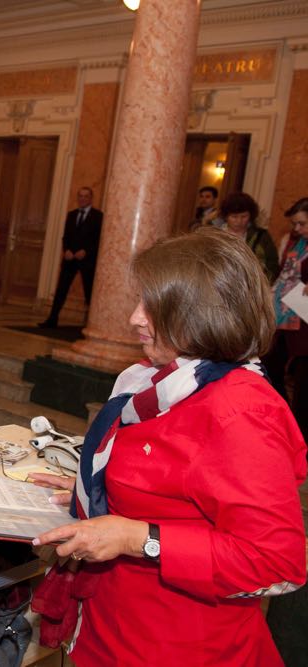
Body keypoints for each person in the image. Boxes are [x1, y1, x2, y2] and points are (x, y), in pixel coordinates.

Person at [31, 228, 306, 666]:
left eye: (153, 307)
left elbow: (276, 564)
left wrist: (138, 537)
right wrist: (95, 491)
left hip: (180, 647)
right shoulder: (161, 383)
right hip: (112, 631)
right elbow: (169, 485)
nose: (135, 319)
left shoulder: (240, 411)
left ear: (202, 314)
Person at [264, 197, 308, 441]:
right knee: (271, 366)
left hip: (305, 323)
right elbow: (284, 274)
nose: (297, 229)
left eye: (302, 224)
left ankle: (299, 435)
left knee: (303, 382)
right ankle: (279, 421)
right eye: (295, 224)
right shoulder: (297, 243)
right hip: (287, 315)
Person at [38, 187, 103, 328]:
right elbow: (66, 236)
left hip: (87, 261)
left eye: (86, 196)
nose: (82, 199)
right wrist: (66, 249)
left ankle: (91, 324)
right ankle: (52, 319)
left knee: (89, 292)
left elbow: (99, 239)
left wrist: (86, 251)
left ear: (91, 198)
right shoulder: (72, 214)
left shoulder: (98, 216)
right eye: (80, 196)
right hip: (70, 259)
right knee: (61, 289)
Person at [220, 191, 279, 282]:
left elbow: (272, 264)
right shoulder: (216, 235)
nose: (239, 221)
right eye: (234, 217)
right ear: (226, 216)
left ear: (251, 216)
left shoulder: (261, 236)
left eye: (244, 216)